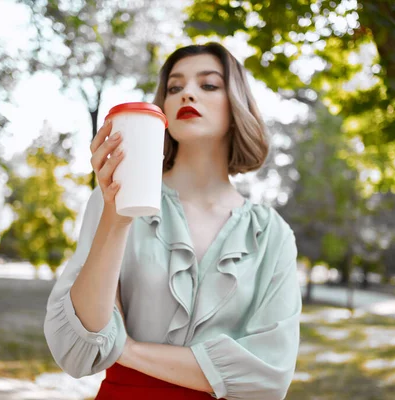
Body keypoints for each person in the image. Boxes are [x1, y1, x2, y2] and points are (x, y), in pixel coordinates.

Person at [44, 42, 302, 400]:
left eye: (208, 85)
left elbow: (269, 376)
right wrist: (114, 222)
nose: (187, 95)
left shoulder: (272, 234)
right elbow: (78, 348)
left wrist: (125, 348)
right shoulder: (116, 198)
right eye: (174, 88)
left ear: (237, 105)